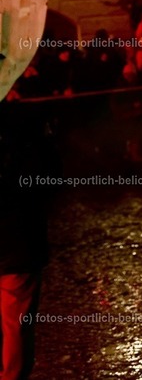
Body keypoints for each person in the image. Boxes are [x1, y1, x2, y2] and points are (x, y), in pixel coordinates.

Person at [0, 101, 57, 380]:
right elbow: (51, 177)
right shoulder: (26, 122)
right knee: (16, 325)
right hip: (18, 242)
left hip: (17, 243)